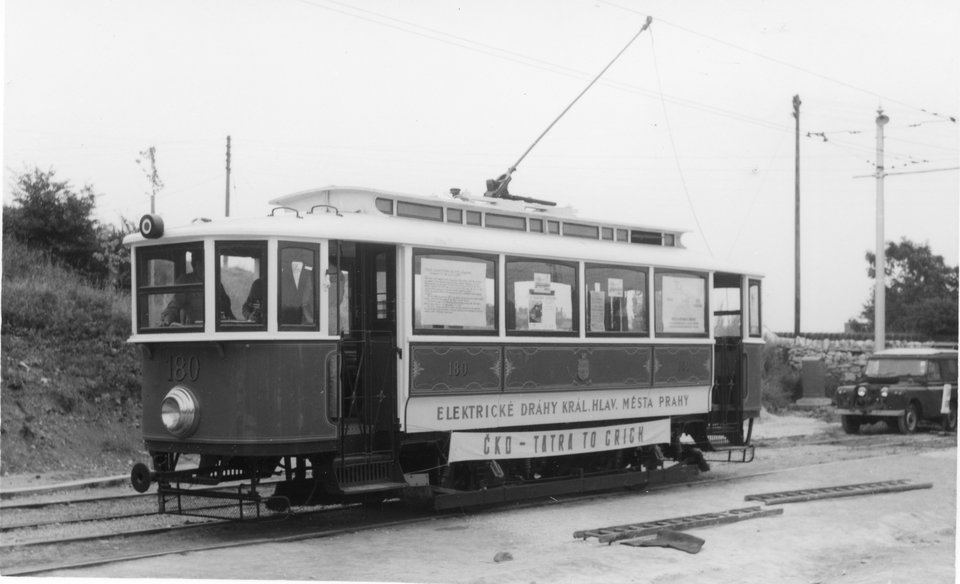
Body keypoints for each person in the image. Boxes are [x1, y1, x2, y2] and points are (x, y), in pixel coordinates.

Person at [160, 254, 235, 326]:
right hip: (195, 331)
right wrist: (167, 321)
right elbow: (174, 305)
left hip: (217, 329)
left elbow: (227, 309)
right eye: (204, 263)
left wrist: (237, 324)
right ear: (197, 264)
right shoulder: (186, 281)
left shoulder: (216, 283)